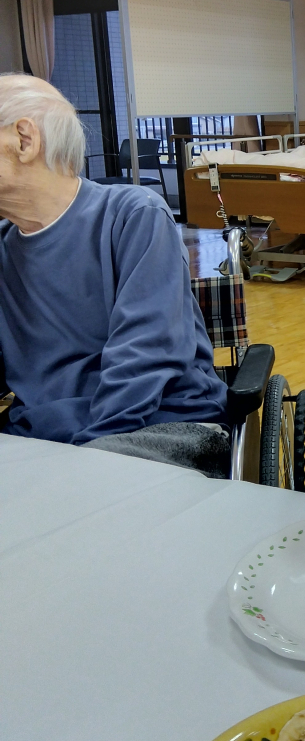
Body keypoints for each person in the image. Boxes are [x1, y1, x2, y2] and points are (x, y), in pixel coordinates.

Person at [0, 74, 229, 472]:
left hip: (157, 423)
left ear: (24, 140)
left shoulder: (133, 215)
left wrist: (88, 456)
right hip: (43, 433)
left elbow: (147, 353)